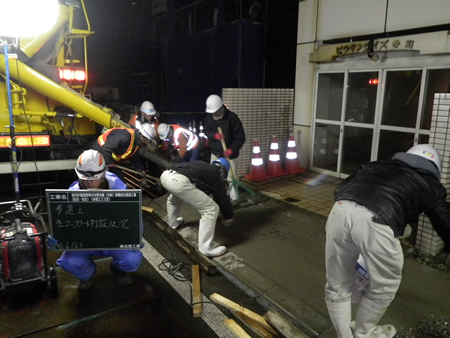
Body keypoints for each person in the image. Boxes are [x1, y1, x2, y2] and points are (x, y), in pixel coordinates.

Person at [324, 144, 450, 338]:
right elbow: (445, 222)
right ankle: (364, 333)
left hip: (340, 210)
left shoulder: (375, 166)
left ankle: (344, 336)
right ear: (435, 167)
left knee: (337, 282)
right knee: (384, 285)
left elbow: (342, 188)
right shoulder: (430, 184)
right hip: (377, 221)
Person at [54, 149, 143, 290]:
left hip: (114, 239)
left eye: (93, 178)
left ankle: (118, 270)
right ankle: (87, 275)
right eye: (85, 178)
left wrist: (136, 236)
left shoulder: (119, 188)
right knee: (68, 262)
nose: (89, 182)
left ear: (103, 174)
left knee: (131, 260)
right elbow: (65, 223)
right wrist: (59, 237)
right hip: (86, 240)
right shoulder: (72, 194)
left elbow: (131, 215)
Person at [159, 158, 234, 257]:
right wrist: (228, 216)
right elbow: (221, 197)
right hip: (179, 181)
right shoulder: (215, 174)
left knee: (173, 200)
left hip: (166, 175)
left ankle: (174, 224)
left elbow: (199, 187)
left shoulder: (203, 165)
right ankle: (205, 249)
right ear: (223, 171)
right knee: (211, 209)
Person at [92, 124, 156, 187]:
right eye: (147, 141)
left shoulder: (135, 142)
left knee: (121, 183)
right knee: (107, 180)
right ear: (142, 136)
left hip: (109, 158)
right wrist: (109, 162)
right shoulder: (123, 136)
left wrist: (141, 172)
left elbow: (134, 158)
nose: (146, 143)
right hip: (98, 153)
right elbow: (106, 149)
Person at [203, 94, 245, 186]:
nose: (213, 114)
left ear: (221, 108)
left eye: (215, 112)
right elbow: (206, 131)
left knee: (232, 177)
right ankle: (218, 195)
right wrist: (214, 135)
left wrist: (232, 150)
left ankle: (233, 196)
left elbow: (240, 138)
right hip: (215, 153)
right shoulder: (209, 118)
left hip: (230, 154)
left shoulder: (232, 118)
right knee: (213, 175)